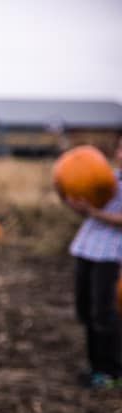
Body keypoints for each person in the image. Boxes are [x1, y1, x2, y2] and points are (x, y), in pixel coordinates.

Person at [61, 137, 122, 389]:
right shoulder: (107, 178)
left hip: (110, 253)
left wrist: (94, 213)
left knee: (103, 312)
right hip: (86, 247)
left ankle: (111, 370)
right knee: (84, 309)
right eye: (120, 148)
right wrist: (74, 204)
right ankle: (94, 364)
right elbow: (89, 209)